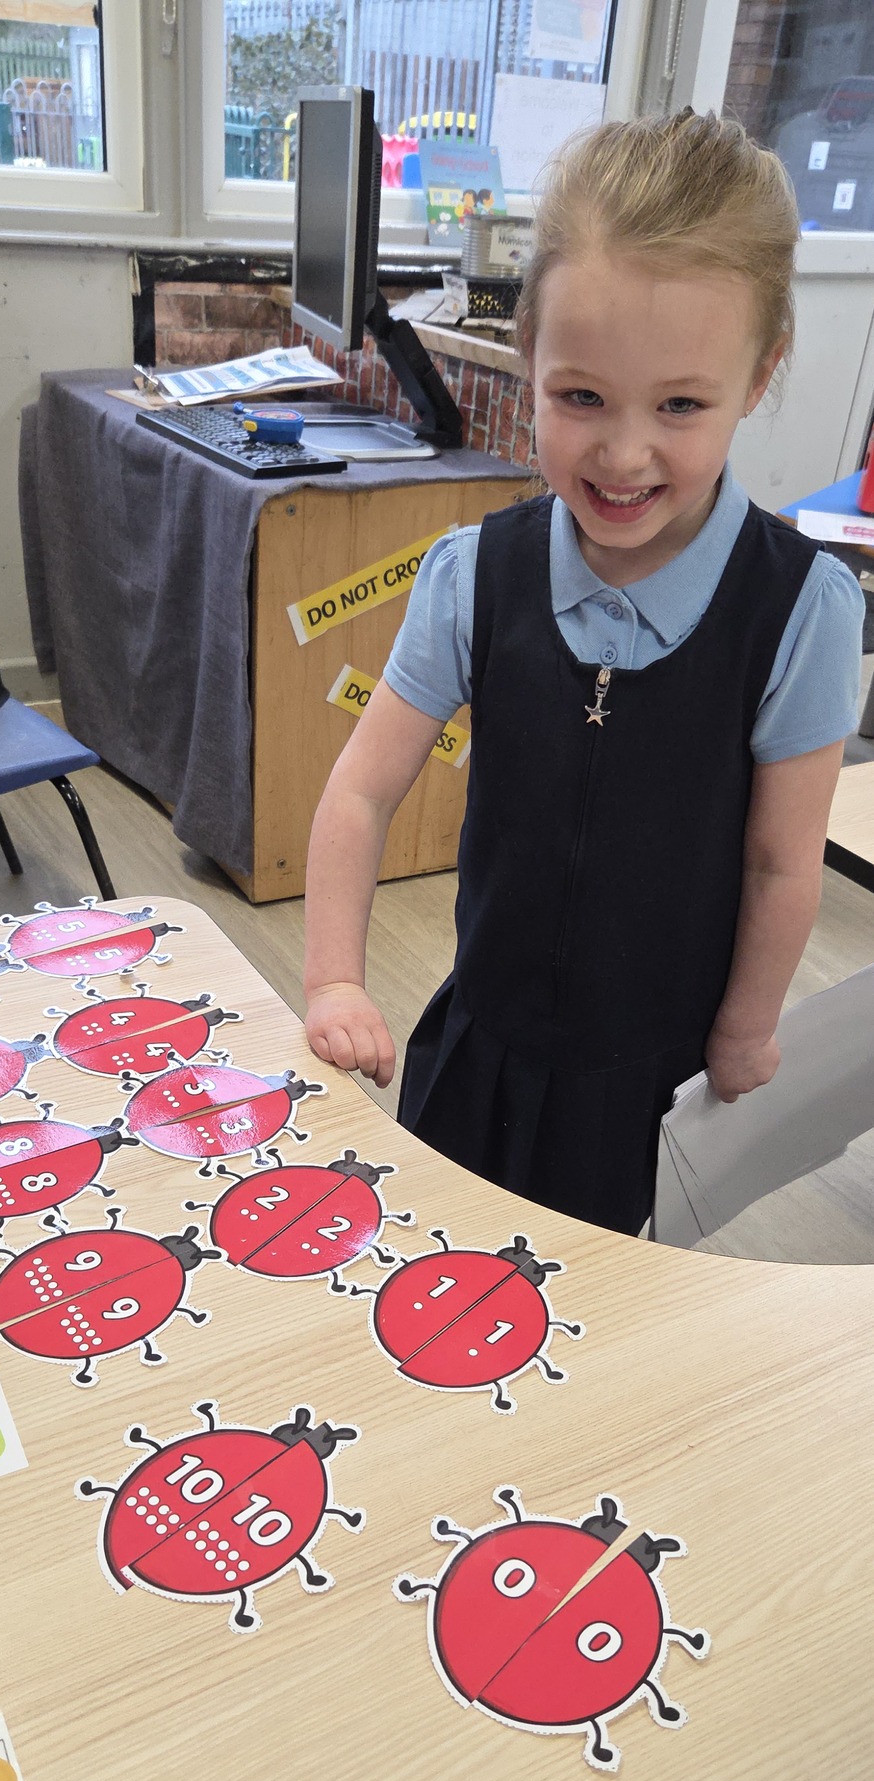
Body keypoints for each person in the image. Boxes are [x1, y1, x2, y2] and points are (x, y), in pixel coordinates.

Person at [302, 110, 864, 1235]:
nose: (623, 453)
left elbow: (779, 863)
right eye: (581, 398)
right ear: (530, 358)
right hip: (477, 1045)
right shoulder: (473, 574)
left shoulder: (801, 610)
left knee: (602, 1300)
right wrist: (332, 978)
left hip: (650, 1087)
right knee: (442, 1264)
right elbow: (360, 791)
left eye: (680, 405)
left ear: (759, 375)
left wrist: (747, 1028)